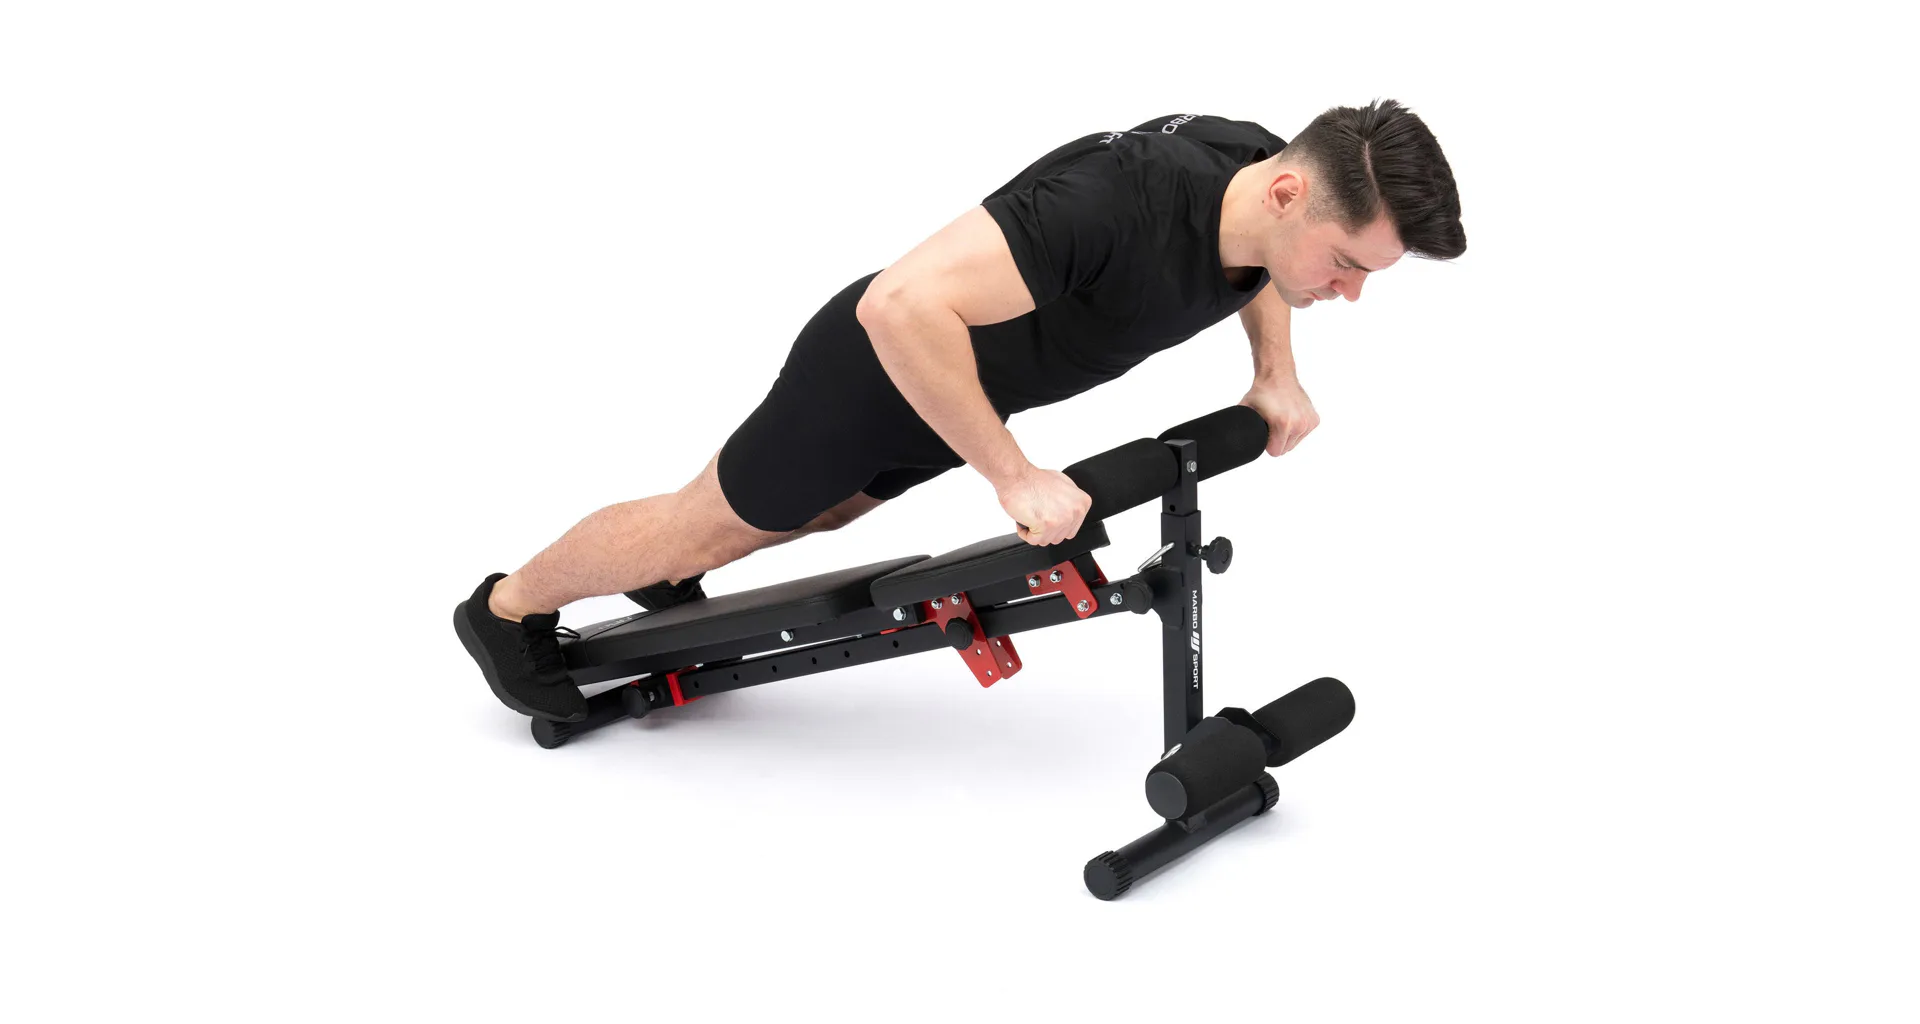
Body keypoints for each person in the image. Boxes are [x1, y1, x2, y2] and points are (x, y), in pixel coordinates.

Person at [455, 100, 1467, 723]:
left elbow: (1261, 269)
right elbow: (898, 306)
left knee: (822, 515)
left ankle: (662, 574)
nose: (1349, 293)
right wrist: (1011, 474)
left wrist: (1274, 372)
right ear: (1289, 194)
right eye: (1347, 264)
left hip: (955, 397)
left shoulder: (1256, 175)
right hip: (876, 369)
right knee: (705, 520)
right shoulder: (1116, 204)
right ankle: (506, 609)